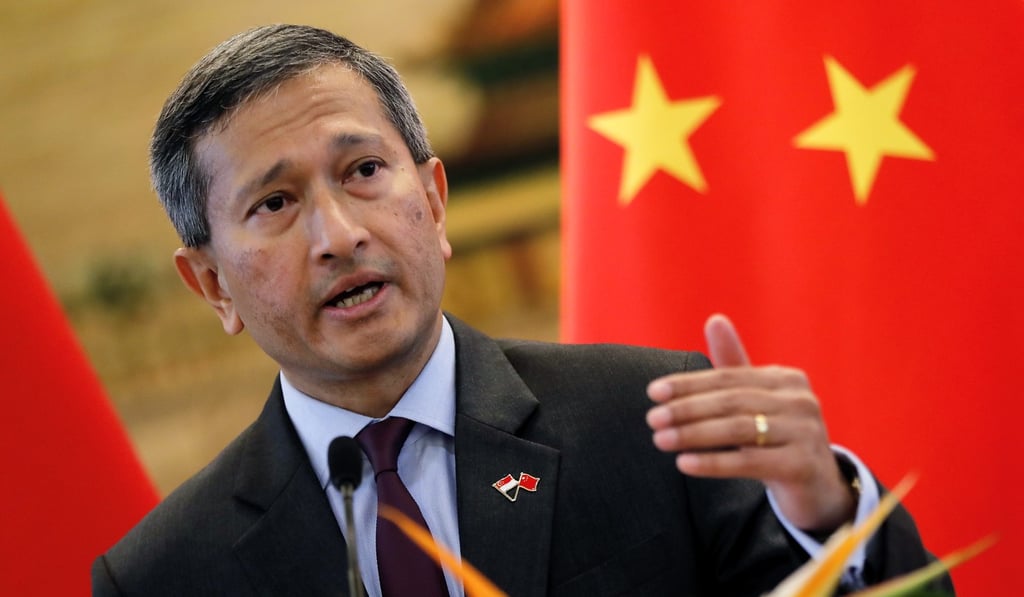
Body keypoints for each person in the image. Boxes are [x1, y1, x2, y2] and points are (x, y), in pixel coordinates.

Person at [92, 24, 948, 596]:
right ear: (210, 284)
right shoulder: (164, 574)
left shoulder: (654, 424)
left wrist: (830, 511)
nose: (339, 235)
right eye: (274, 203)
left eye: (363, 172)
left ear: (432, 198)